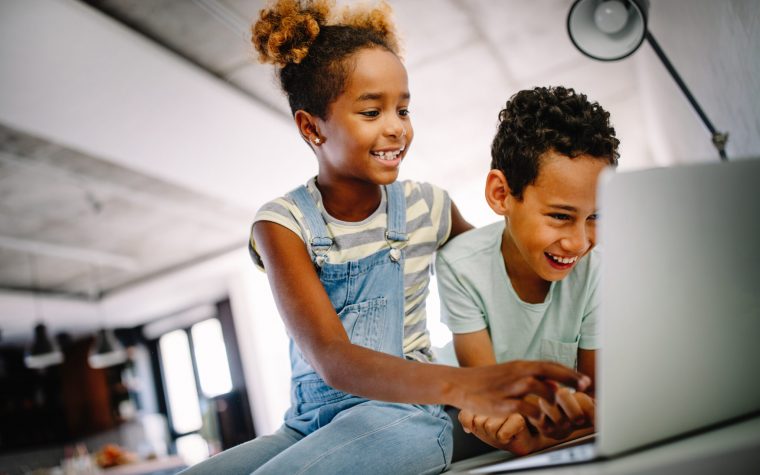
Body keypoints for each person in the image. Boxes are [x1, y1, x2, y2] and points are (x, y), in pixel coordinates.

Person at [181, 2, 591, 473]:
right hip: (308, 424)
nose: (396, 126)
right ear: (312, 127)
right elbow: (334, 360)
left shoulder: (428, 207)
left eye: (403, 108)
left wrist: (558, 232)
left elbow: (499, 270)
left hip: (408, 417)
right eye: (372, 111)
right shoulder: (282, 224)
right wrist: (463, 384)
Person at [436, 86, 620, 456]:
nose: (579, 242)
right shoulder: (459, 264)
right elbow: (492, 400)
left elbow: (599, 401)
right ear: (501, 195)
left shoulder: (599, 273)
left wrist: (547, 434)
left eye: (596, 217)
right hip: (457, 409)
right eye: (560, 216)